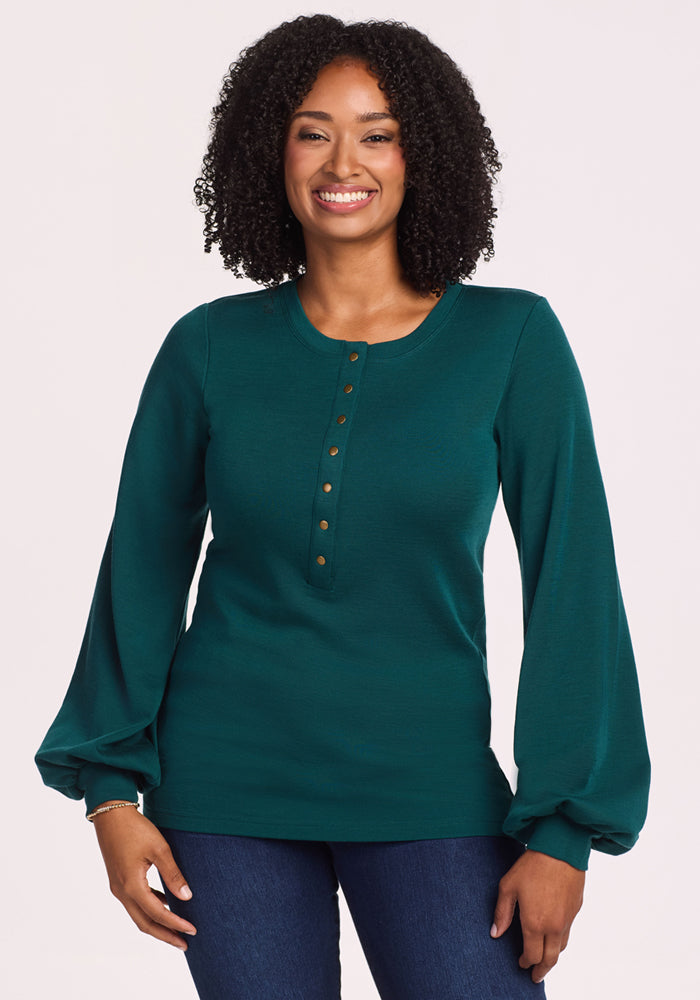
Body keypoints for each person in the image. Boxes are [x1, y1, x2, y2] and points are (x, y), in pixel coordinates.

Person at [35, 14, 650, 1000]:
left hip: (431, 787)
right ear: (269, 151)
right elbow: (141, 573)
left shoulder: (513, 340)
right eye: (312, 130)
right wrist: (110, 794)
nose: (342, 160)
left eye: (378, 131)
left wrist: (564, 830)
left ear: (425, 154)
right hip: (221, 792)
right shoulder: (206, 348)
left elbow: (573, 581)